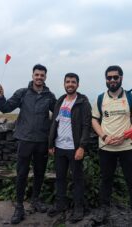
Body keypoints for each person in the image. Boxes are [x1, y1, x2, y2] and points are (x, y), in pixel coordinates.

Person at [0, 64, 56, 224]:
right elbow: (5, 108)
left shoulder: (50, 96)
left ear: (45, 77)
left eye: (42, 75)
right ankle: (19, 207)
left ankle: (35, 200)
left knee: (39, 173)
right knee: (21, 174)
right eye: (37, 75)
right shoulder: (22, 93)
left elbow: (58, 115)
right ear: (32, 75)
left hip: (42, 141)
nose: (39, 77)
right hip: (25, 140)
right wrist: (0, 97)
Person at [91, 65, 132, 226]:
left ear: (121, 78)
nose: (112, 80)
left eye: (115, 77)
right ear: (106, 80)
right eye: (109, 77)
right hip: (106, 147)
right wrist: (104, 136)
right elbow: (94, 120)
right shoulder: (100, 99)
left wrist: (124, 135)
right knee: (106, 179)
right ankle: (104, 209)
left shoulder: (131, 97)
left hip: (127, 146)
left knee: (131, 179)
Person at [47, 73, 91, 223]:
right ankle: (61, 204)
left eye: (73, 82)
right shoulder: (60, 100)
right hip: (59, 147)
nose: (70, 84)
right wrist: (51, 143)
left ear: (78, 84)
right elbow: (55, 122)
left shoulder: (82, 102)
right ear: (64, 84)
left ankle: (79, 208)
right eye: (68, 82)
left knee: (77, 179)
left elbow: (86, 126)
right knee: (60, 178)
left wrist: (82, 146)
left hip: (74, 148)